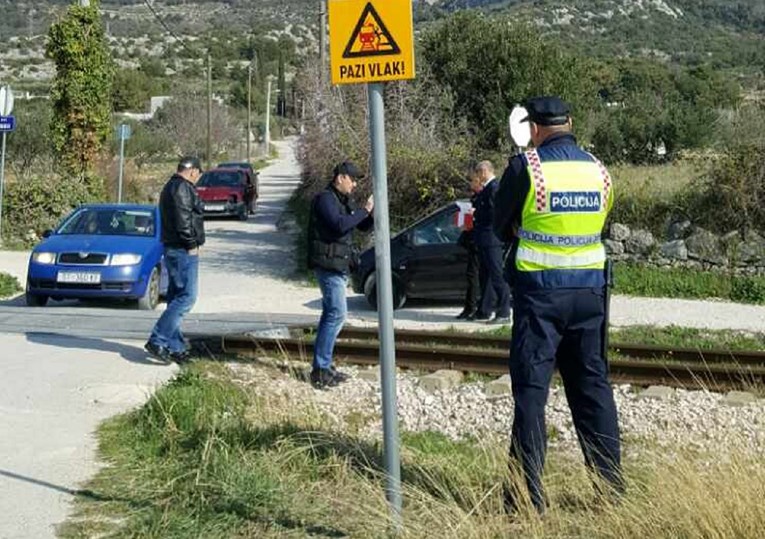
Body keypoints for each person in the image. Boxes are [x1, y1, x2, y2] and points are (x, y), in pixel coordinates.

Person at [493, 96, 624, 513]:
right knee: (592, 390)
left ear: (534, 129)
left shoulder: (525, 167)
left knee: (532, 395)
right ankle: (611, 491)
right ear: (570, 123)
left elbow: (500, 226)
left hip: (540, 295)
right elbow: (596, 225)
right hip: (590, 294)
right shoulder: (598, 171)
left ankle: (525, 499)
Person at [307, 161, 374, 389]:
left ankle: (324, 365)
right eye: (352, 179)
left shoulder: (342, 201)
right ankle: (320, 369)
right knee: (337, 314)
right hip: (328, 266)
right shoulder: (325, 199)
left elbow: (361, 226)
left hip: (338, 266)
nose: (354, 184)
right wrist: (364, 211)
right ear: (340, 178)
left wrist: (371, 214)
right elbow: (338, 225)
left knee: (331, 314)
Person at [145, 156, 205, 365]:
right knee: (187, 297)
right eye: (198, 175)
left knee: (175, 297)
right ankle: (158, 339)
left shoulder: (170, 186)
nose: (197, 179)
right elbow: (183, 221)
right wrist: (191, 245)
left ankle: (175, 346)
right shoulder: (182, 188)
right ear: (194, 171)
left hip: (172, 248)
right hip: (182, 249)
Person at [472, 161, 511, 323]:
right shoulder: (487, 189)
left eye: (478, 173)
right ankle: (485, 309)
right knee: (486, 275)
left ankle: (503, 311)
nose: (478, 177)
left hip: (491, 237)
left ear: (484, 172)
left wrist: (478, 214)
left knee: (496, 274)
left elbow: (494, 213)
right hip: (484, 237)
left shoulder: (493, 188)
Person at [455, 175, 481, 319]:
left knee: (473, 275)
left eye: (473, 181)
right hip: (471, 239)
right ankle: (469, 306)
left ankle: (472, 306)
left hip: (476, 241)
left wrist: (472, 217)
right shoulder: (474, 198)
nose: (470, 184)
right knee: (471, 275)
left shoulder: (481, 197)